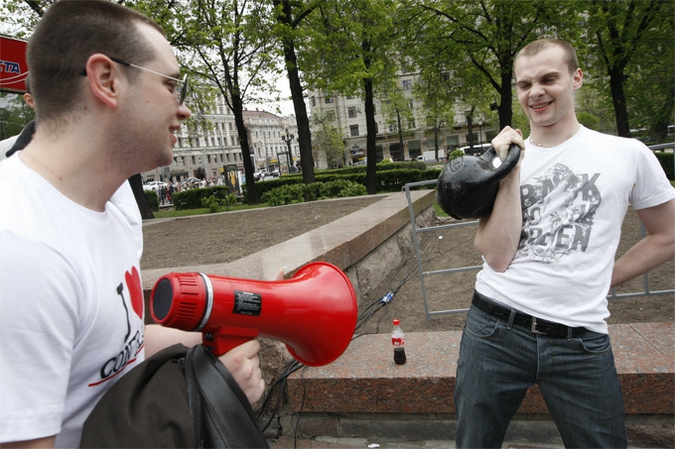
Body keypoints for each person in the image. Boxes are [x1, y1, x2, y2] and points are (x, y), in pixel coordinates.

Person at [0, 2, 264, 448]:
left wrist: (248, 317)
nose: (184, 111)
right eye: (171, 85)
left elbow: (112, 346)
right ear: (107, 80)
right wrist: (205, 394)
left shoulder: (115, 203)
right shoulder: (20, 249)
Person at [454, 38, 675, 448]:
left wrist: (605, 277)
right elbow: (498, 256)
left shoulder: (628, 153)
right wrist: (509, 170)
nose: (535, 92)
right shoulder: (500, 160)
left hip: (580, 340)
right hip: (494, 332)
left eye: (548, 78)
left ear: (576, 78)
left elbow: (668, 234)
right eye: (524, 84)